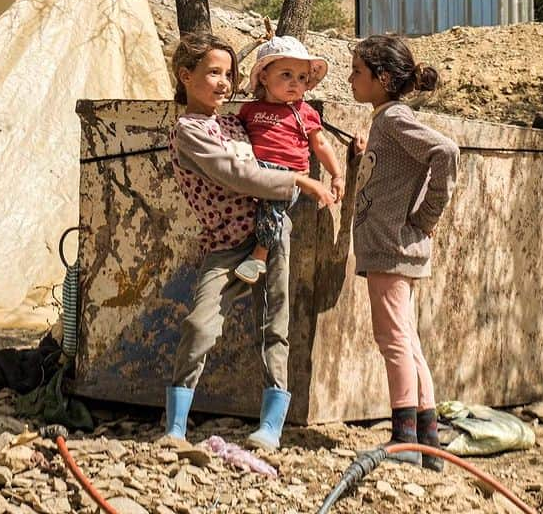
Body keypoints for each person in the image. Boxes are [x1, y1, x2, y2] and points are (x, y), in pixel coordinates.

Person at [164, 32, 335, 450]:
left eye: (229, 74)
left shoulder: (234, 121)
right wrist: (297, 179)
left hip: (271, 235)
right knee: (200, 323)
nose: (224, 82)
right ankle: (175, 428)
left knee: (275, 326)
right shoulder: (189, 131)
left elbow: (294, 135)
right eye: (213, 73)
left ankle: (271, 427)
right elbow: (235, 173)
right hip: (226, 245)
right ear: (186, 76)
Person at [348, 34, 458, 471]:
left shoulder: (393, 117)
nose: (351, 79)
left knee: (392, 340)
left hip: (392, 245)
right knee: (407, 339)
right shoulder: (385, 121)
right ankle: (428, 439)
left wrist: (425, 219)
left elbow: (445, 151)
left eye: (358, 72)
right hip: (394, 245)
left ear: (384, 78)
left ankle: (404, 439)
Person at [234, 35, 344, 284]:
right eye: (286, 75)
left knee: (274, 205)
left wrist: (336, 175)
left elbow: (321, 144)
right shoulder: (250, 110)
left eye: (302, 78)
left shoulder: (304, 112)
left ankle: (259, 256)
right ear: (264, 77)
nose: (295, 83)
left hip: (288, 175)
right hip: (255, 172)